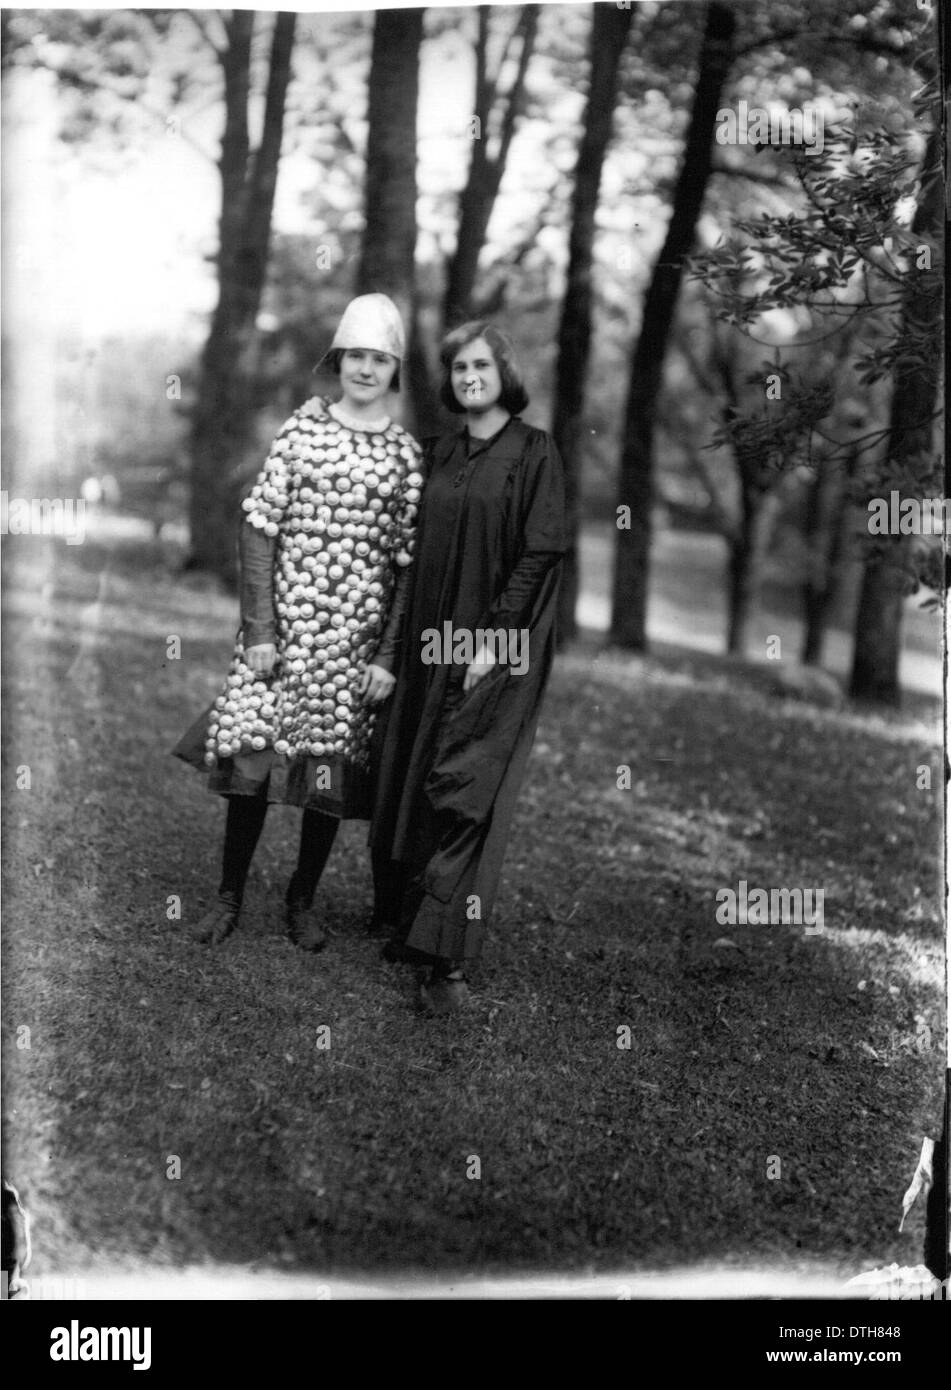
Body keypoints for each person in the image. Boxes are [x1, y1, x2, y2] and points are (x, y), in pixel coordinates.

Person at [173, 294, 423, 949]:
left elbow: (405, 563)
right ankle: (228, 897)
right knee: (253, 761)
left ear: (393, 369)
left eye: (379, 359)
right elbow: (258, 525)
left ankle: (301, 903)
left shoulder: (402, 455)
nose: (365, 369)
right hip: (282, 634)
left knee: (325, 774)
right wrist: (259, 630)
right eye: (356, 356)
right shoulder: (302, 430)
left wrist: (386, 655)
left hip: (353, 642)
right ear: (339, 360)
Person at [369, 322, 567, 1014]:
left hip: (496, 646)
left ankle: (445, 959)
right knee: (416, 765)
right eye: (457, 368)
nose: (468, 377)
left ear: (503, 372)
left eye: (480, 365)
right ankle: (406, 920)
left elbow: (538, 553)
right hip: (430, 635)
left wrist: (491, 641)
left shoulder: (533, 452)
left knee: (469, 779)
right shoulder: (439, 452)